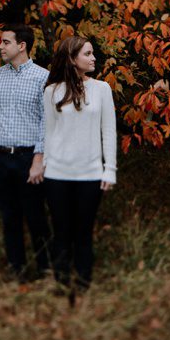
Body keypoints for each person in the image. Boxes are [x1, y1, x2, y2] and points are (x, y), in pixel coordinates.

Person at [0, 24, 52, 282]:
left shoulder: (44, 77)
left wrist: (38, 159)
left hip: (28, 158)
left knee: (35, 216)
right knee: (9, 216)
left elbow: (47, 122)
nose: (0, 46)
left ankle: (45, 269)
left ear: (22, 46)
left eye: (5, 42)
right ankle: (16, 268)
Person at [42, 35, 117, 295]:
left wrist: (110, 169)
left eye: (93, 53)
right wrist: (44, 165)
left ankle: (83, 284)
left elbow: (109, 132)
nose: (93, 58)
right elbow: (48, 133)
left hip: (90, 174)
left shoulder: (102, 89)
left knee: (83, 231)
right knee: (61, 231)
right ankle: (61, 283)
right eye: (87, 53)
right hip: (56, 174)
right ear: (72, 58)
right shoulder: (52, 91)